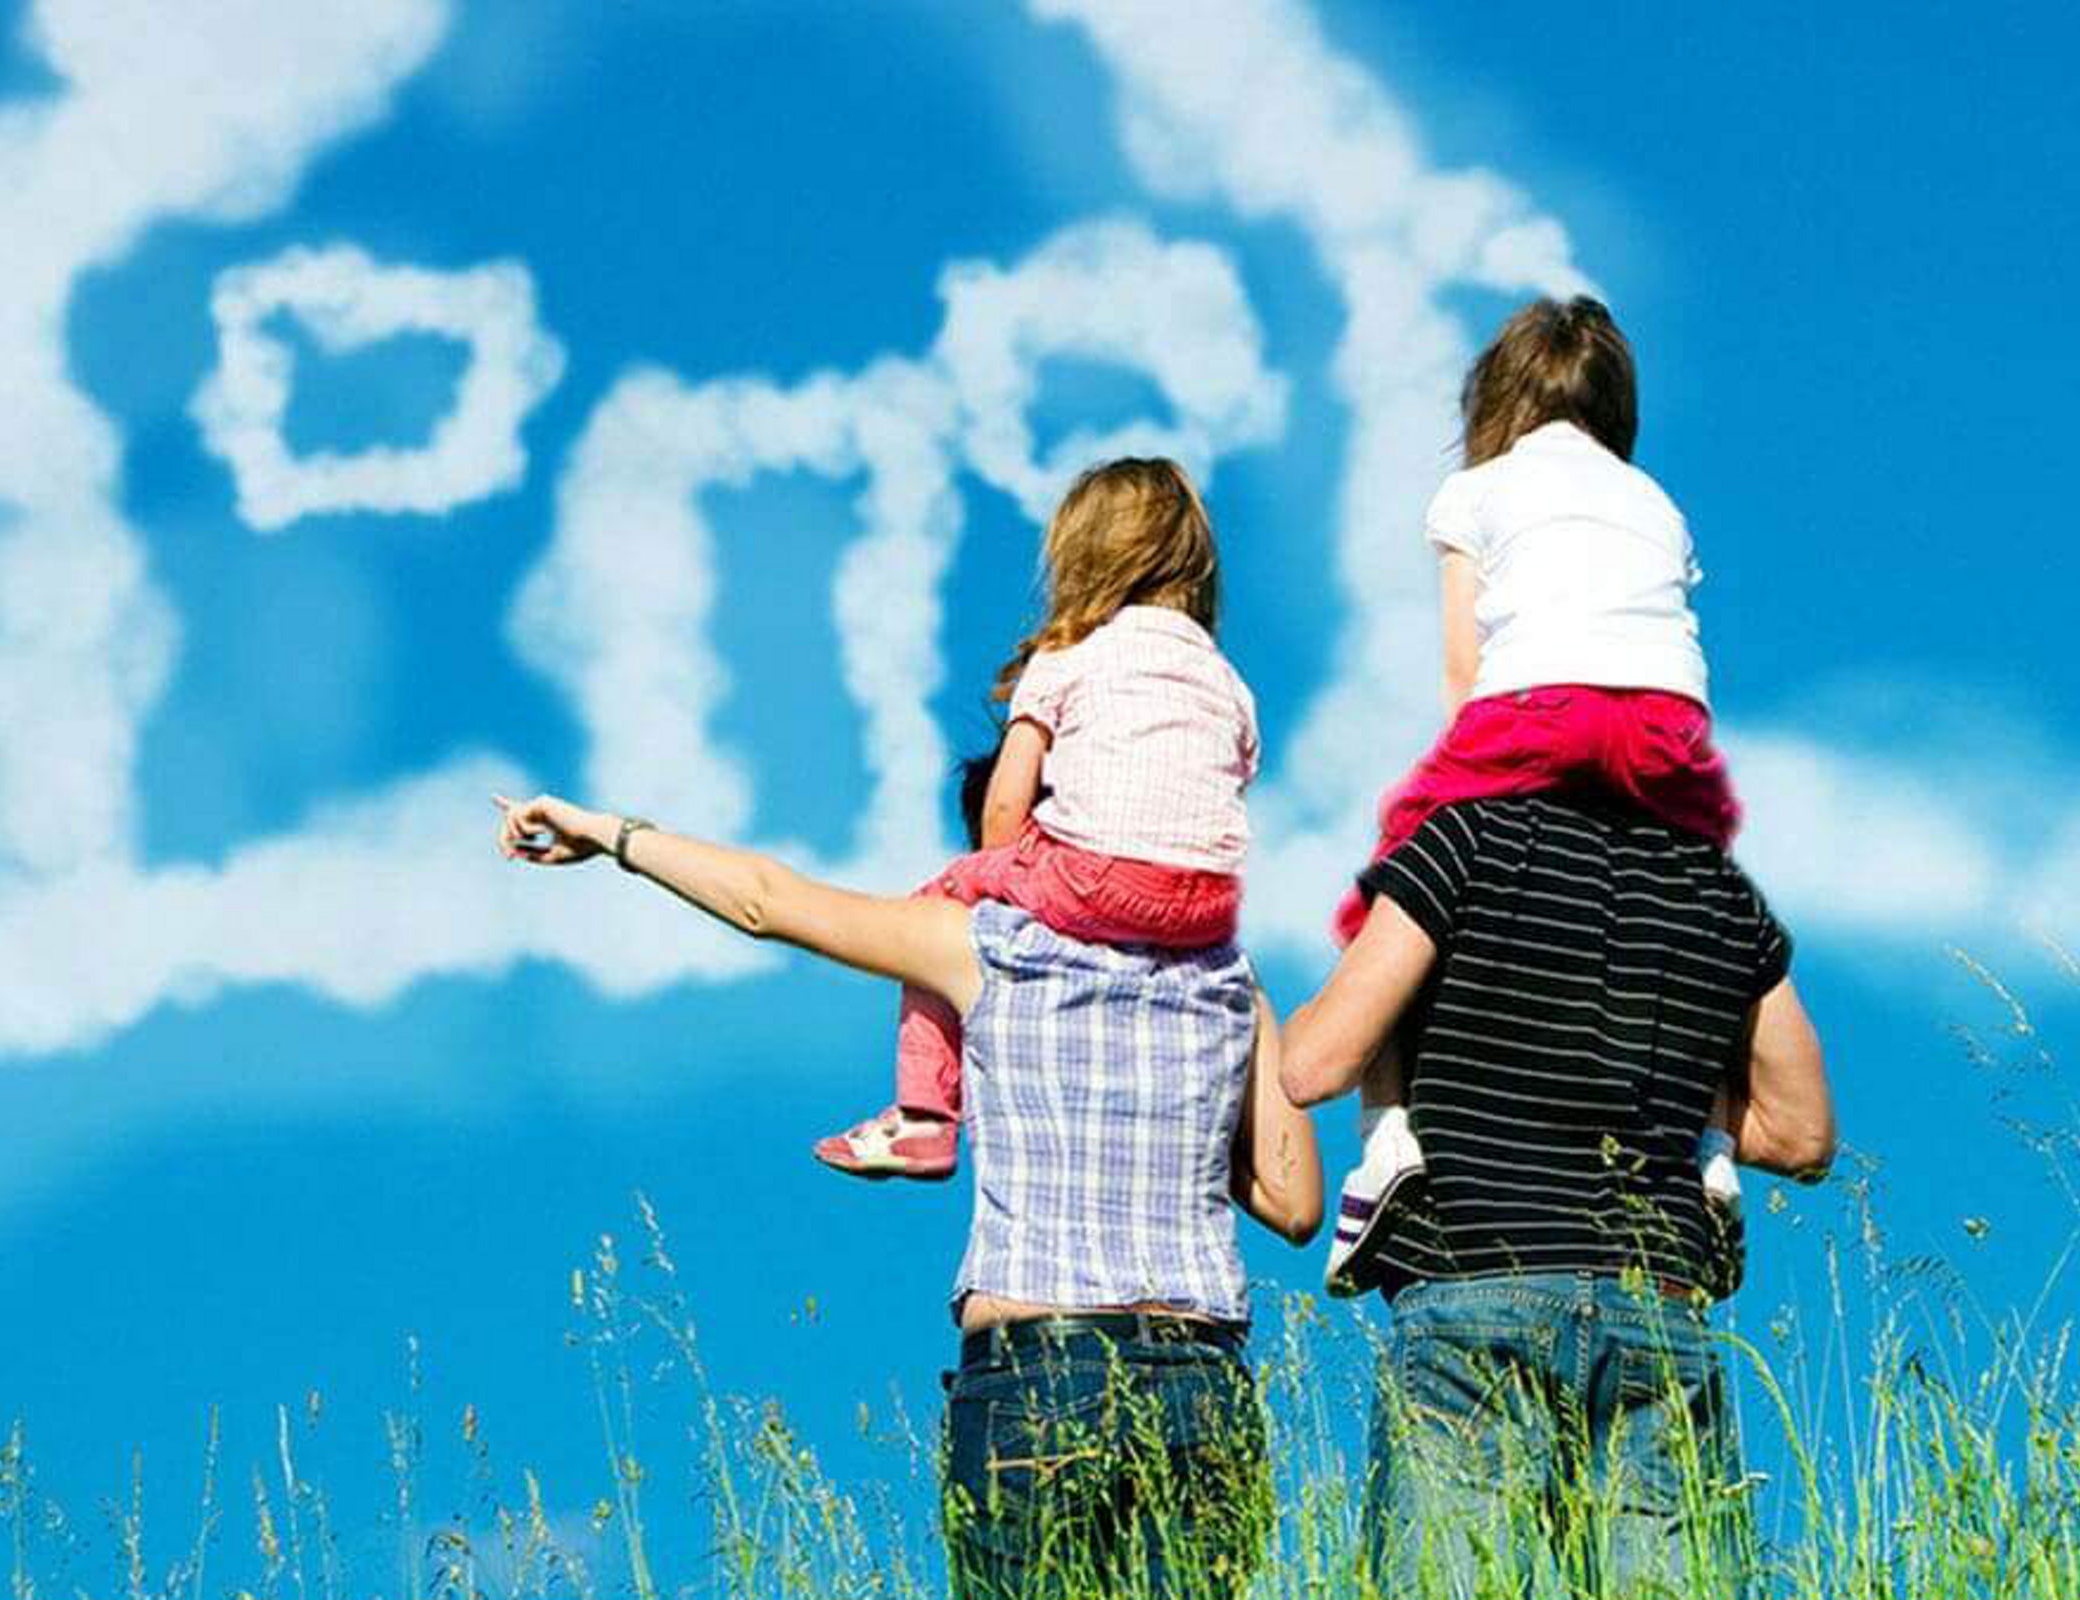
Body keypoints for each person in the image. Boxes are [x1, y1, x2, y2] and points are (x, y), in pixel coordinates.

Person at [495, 775, 1320, 1598]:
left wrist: (610, 834)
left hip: (1039, 1373)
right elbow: (1293, 1203)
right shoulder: (1228, 982)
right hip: (1200, 1385)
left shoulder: (986, 944)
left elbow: (765, 901)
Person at [1283, 792, 1836, 1594]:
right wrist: (1654, 1094)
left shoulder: (1461, 840)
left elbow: (1314, 1064)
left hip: (1474, 1293)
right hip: (1658, 1309)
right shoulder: (1715, 887)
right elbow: (1803, 1135)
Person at [1327, 296, 1751, 1282]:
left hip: (1533, 703)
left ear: (1496, 400)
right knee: (1703, 912)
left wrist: (1456, 806)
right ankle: (1714, 1152)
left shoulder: (1474, 491)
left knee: (1391, 881)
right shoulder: (1655, 502)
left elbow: (1460, 664)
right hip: (1665, 720)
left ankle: (1389, 1136)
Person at [815, 456, 1259, 1181]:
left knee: (936, 904)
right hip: (1208, 905)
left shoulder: (1069, 656)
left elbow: (1004, 805)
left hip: (1098, 877)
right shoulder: (1228, 682)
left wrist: (1002, 896)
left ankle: (924, 1119)